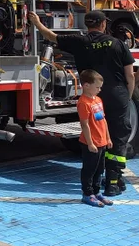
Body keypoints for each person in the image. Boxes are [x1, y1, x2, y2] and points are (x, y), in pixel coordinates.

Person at [31, 10, 135, 196]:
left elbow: (51, 36)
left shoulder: (79, 41)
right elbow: (129, 76)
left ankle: (97, 178)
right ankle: (113, 181)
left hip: (93, 98)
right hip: (117, 95)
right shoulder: (118, 44)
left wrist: (37, 23)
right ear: (103, 24)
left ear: (88, 25)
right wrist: (126, 97)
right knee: (118, 137)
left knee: (97, 137)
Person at [77, 70, 114, 207]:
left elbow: (102, 121)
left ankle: (97, 192)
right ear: (86, 86)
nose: (100, 89)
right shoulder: (84, 103)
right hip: (91, 143)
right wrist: (90, 143)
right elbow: (85, 125)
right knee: (89, 169)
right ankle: (87, 194)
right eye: (97, 87)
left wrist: (108, 138)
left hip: (102, 141)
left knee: (100, 169)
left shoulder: (98, 100)